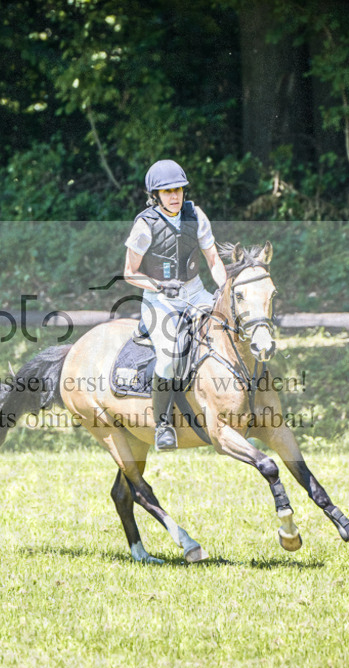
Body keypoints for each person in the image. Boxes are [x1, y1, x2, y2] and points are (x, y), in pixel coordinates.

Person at [123, 159, 227, 450]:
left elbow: (214, 260)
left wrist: (224, 289)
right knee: (169, 357)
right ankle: (163, 425)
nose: (174, 196)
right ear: (155, 196)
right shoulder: (145, 225)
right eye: (167, 191)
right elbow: (129, 272)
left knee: (229, 328)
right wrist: (157, 285)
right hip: (160, 300)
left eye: (178, 189)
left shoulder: (197, 215)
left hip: (195, 292)